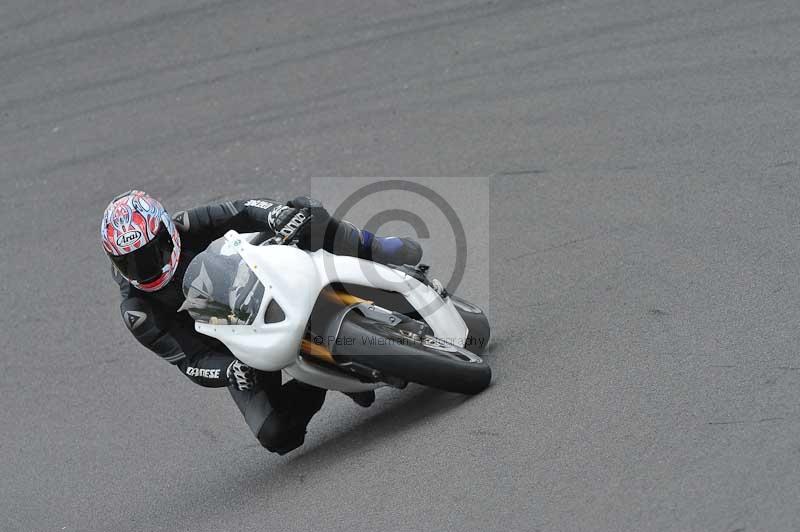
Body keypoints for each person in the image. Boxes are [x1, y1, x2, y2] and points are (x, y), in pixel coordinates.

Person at [101, 190, 422, 454]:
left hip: (254, 276)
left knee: (304, 211)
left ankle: (379, 249)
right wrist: (229, 369)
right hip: (235, 344)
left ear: (165, 232)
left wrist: (276, 215)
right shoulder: (138, 311)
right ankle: (330, 377)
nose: (144, 267)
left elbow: (242, 210)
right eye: (129, 261)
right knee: (276, 433)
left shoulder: (184, 226)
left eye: (149, 253)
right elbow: (192, 362)